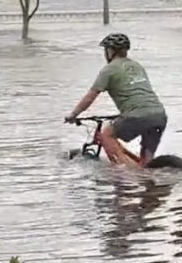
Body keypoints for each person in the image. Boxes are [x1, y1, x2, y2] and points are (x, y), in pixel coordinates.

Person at [64, 33, 167, 167]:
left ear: (110, 51)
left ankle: (126, 172)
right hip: (159, 115)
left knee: (106, 135)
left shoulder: (109, 70)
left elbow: (90, 97)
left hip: (137, 115)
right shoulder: (137, 66)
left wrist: (73, 115)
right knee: (147, 163)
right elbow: (138, 94)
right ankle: (147, 174)